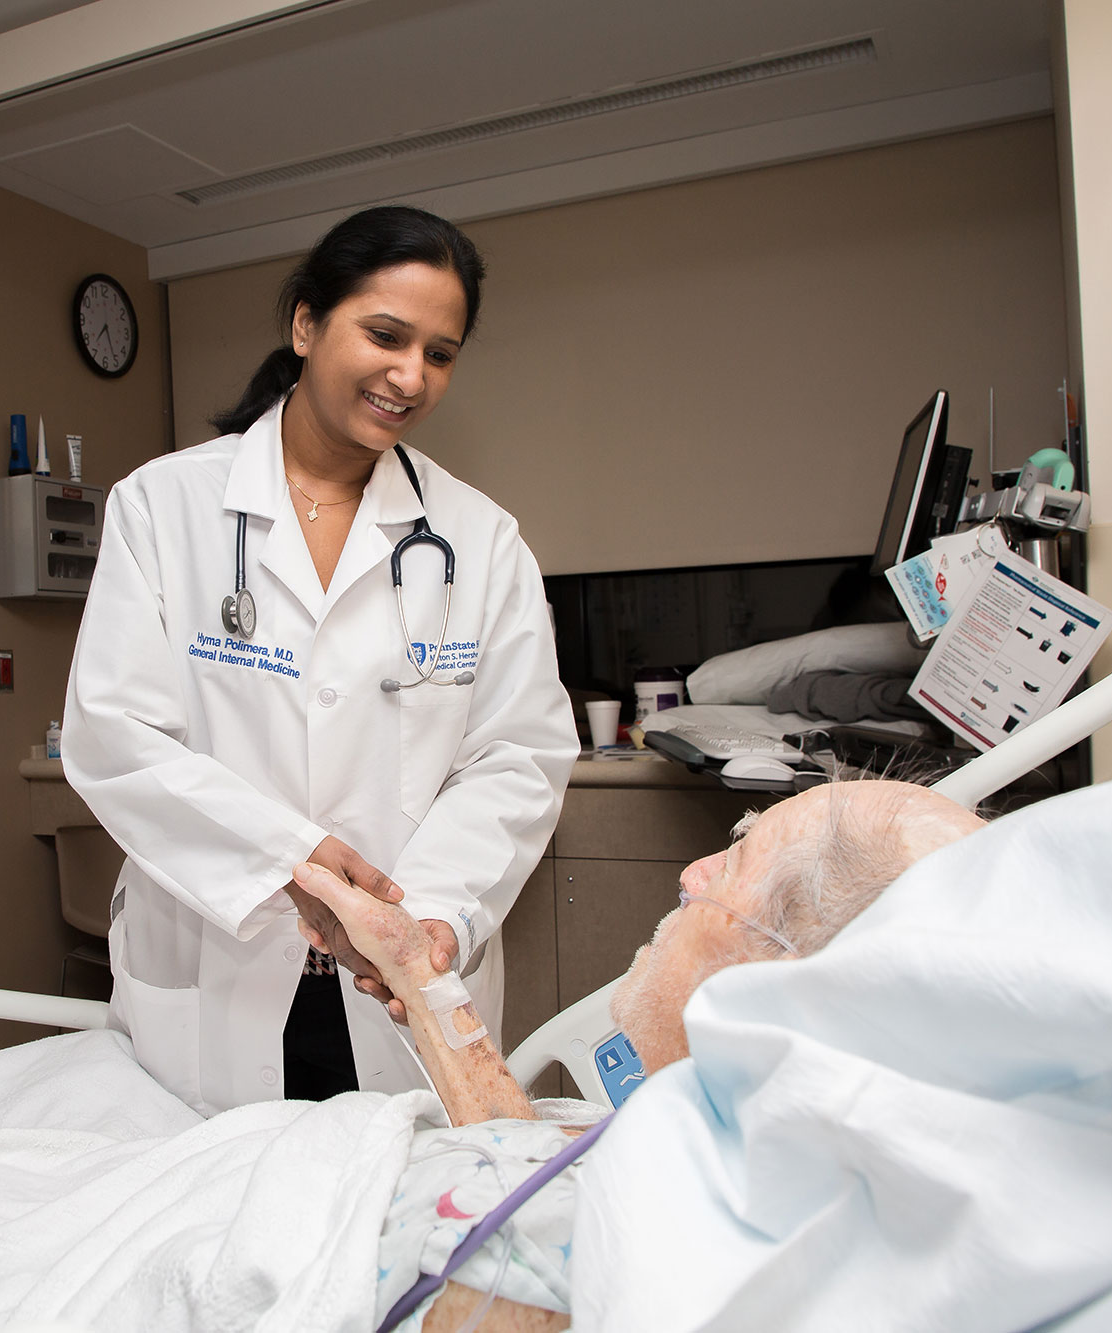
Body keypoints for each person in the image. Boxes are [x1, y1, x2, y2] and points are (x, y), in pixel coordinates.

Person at [62, 205, 578, 1115]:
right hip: (213, 963)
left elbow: (520, 755)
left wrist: (429, 917)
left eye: (440, 352)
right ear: (306, 324)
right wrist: (293, 864)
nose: (410, 374)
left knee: (392, 1220)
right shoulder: (163, 506)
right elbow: (115, 734)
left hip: (396, 984)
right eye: (385, 334)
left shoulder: (481, 540)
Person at [294, 777, 987, 1331]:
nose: (692, 872)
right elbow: (529, 1175)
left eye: (738, 856)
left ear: (786, 983)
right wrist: (419, 971)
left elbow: (529, 1233)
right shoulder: (737, 1162)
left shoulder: (566, 1292)